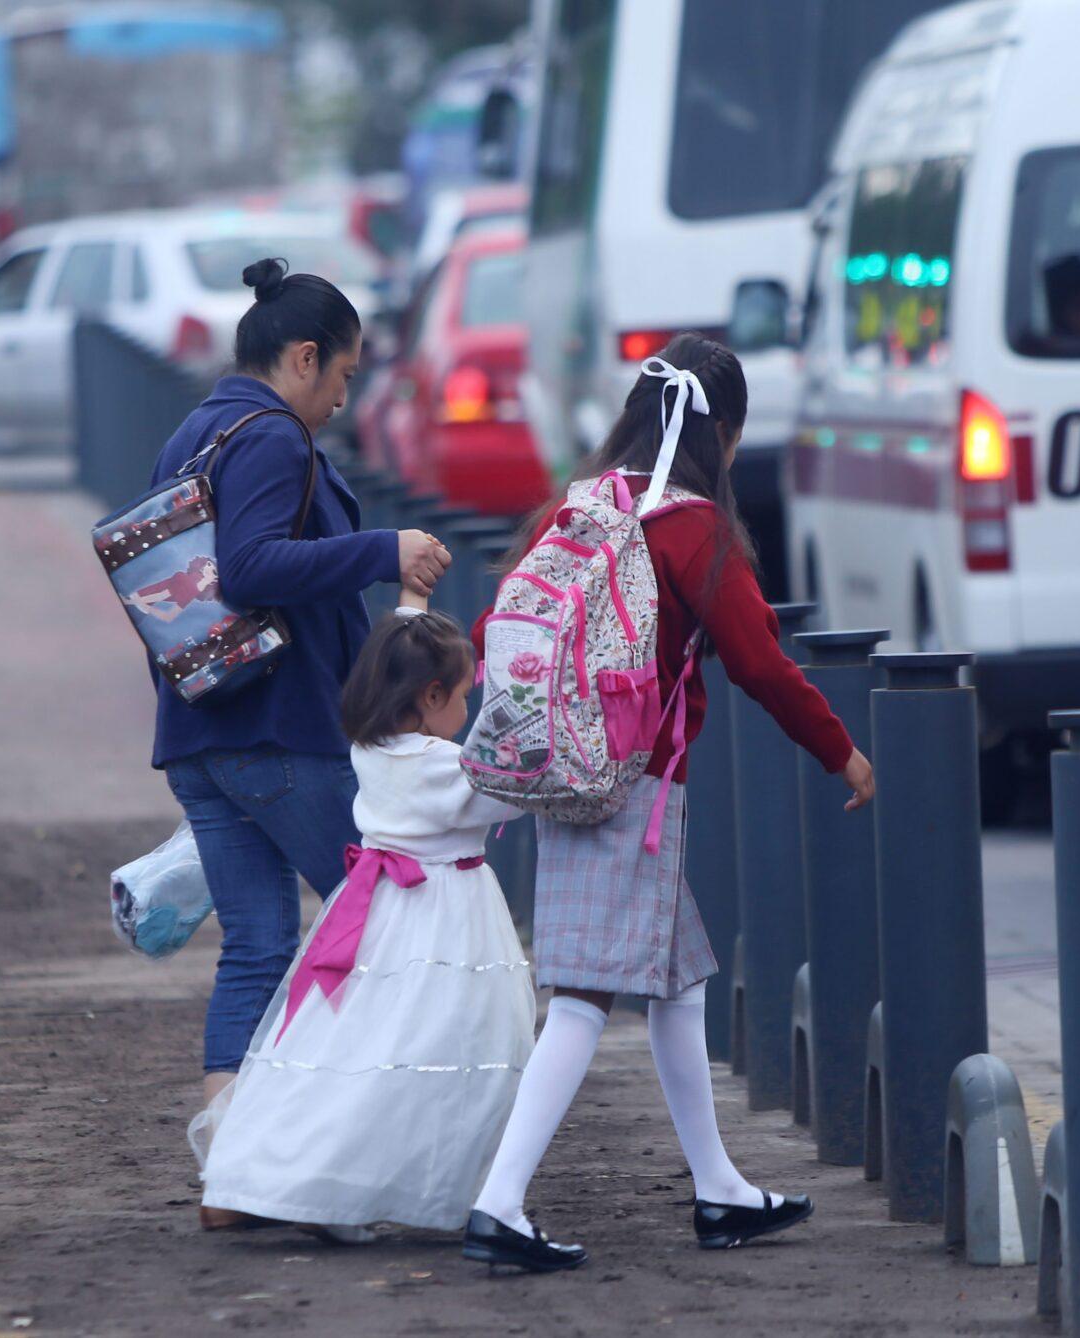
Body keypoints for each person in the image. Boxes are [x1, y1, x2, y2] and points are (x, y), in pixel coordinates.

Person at [460, 334, 877, 1273]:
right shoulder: (689, 527)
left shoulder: (578, 506)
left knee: (678, 982)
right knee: (582, 995)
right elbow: (761, 660)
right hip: (634, 784)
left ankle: (721, 1189)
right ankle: (499, 1201)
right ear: (721, 432)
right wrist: (841, 754)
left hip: (571, 770)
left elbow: (498, 628)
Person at [147, 258, 454, 1227]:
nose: (343, 396)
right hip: (278, 731)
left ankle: (231, 1175)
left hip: (200, 731)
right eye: (345, 376)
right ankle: (335, 1158)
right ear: (305, 358)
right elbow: (248, 566)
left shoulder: (196, 429)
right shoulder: (275, 436)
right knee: (380, 929)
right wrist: (384, 550)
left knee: (259, 947)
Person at [190, 591, 535, 1239]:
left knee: (341, 1047)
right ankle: (351, 1185)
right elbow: (510, 796)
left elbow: (399, 652)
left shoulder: (370, 751)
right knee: (422, 1051)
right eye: (462, 695)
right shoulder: (443, 766)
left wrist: (412, 606)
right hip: (440, 915)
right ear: (430, 698)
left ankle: (263, 1176)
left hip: (372, 913)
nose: (467, 709)